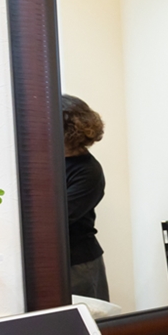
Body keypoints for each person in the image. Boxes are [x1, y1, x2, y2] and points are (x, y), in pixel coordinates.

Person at [62, 94, 110, 301]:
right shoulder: (47, 160)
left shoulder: (88, 172)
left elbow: (58, 218)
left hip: (79, 265)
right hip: (57, 262)